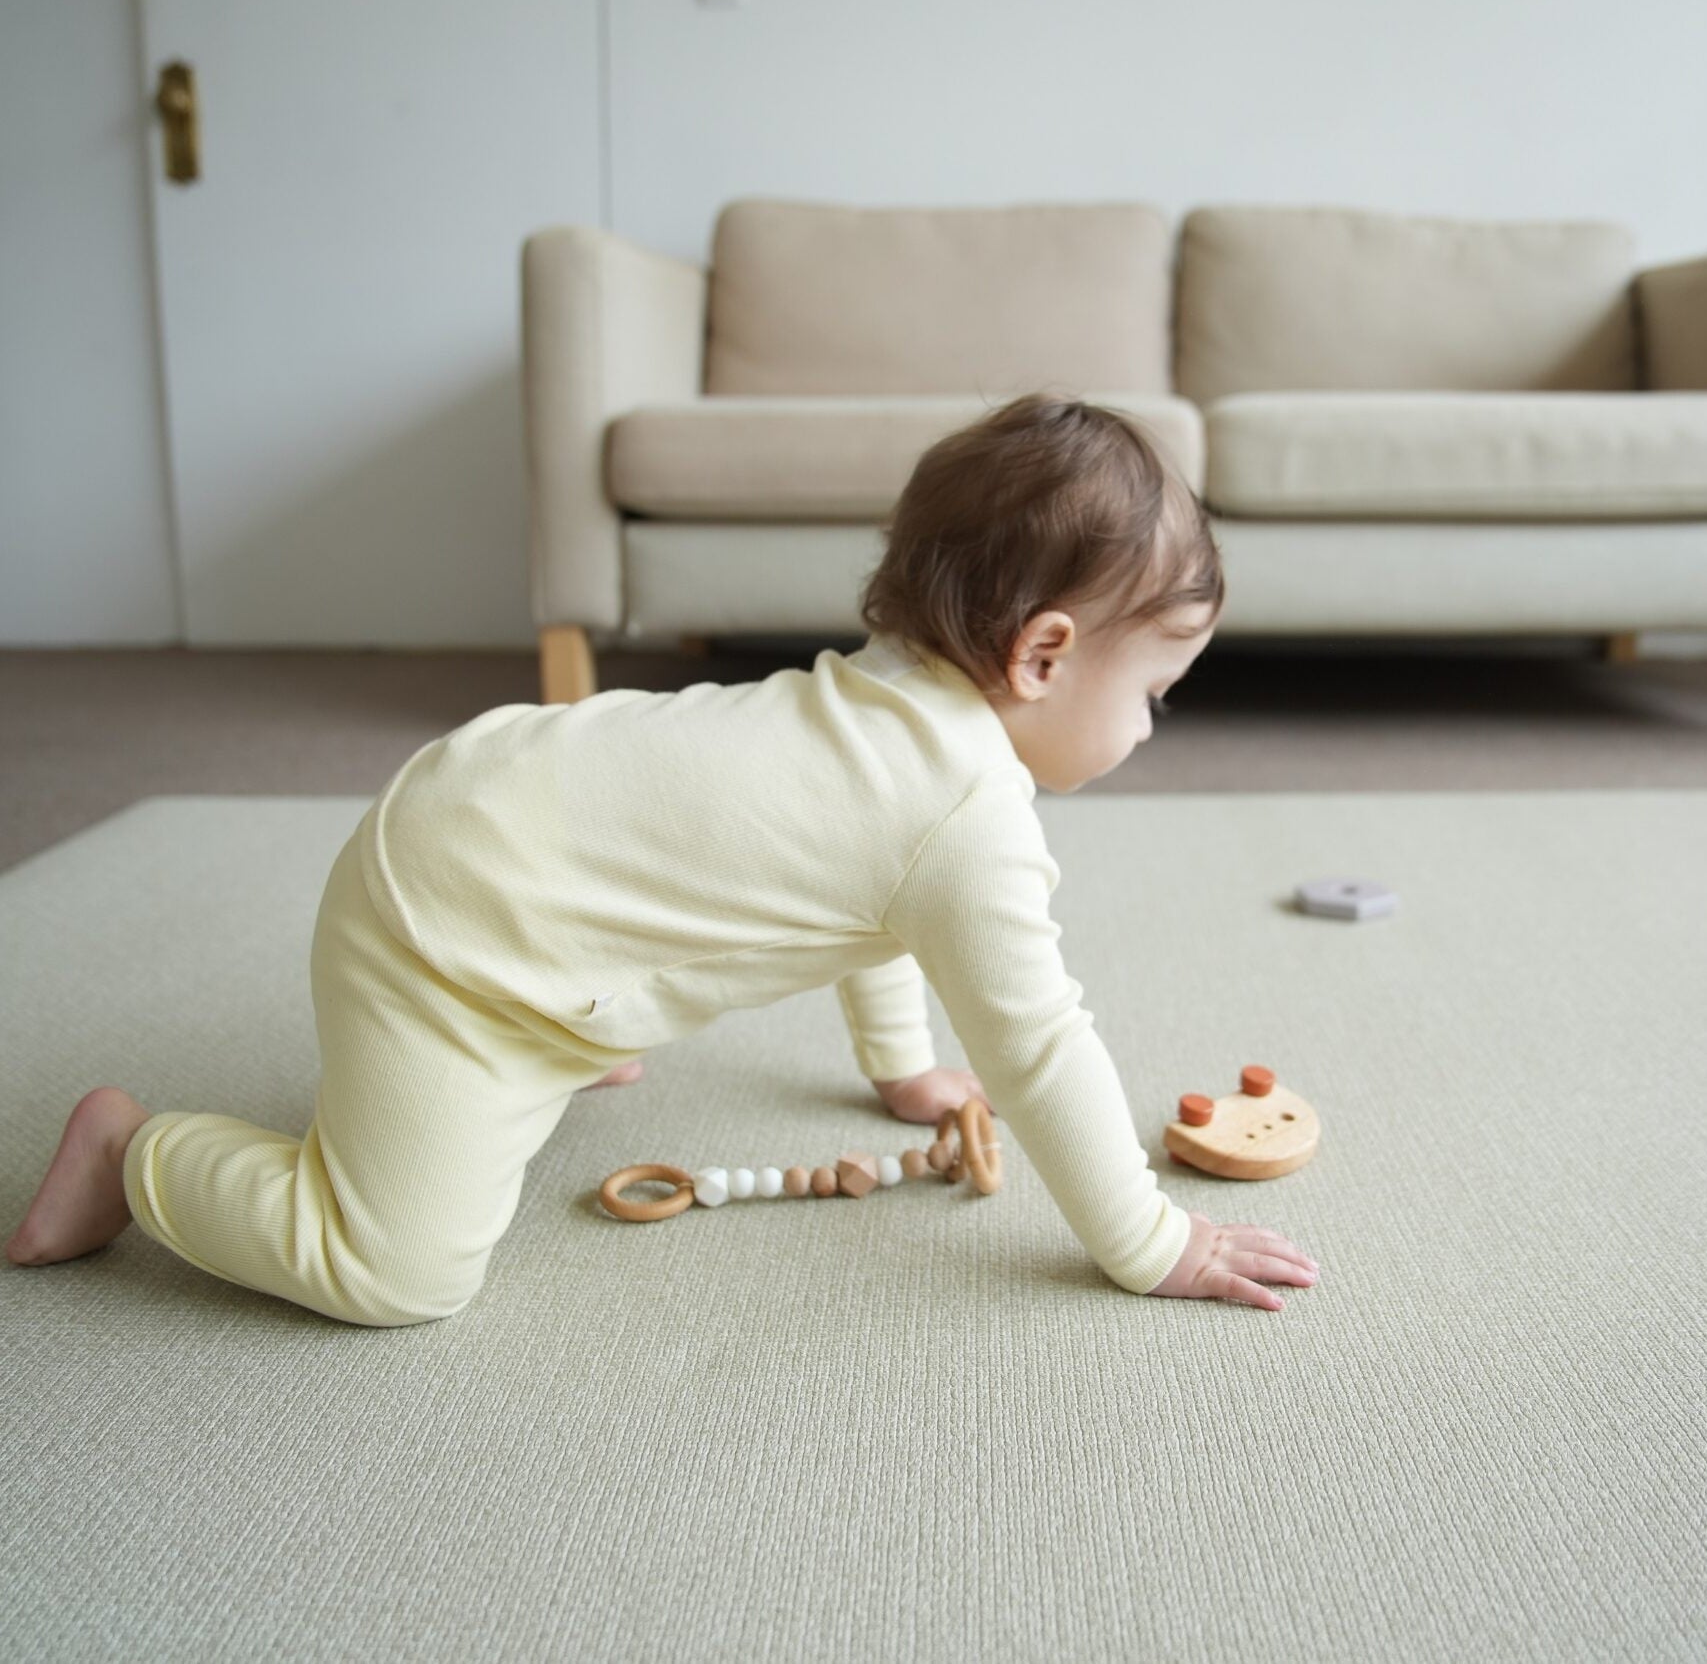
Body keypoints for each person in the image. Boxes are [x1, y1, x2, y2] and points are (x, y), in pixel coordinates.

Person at [6, 391, 1319, 1323]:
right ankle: (137, 1157)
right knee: (395, 1272)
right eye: (1154, 689)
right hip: (447, 934)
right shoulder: (969, 820)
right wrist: (1155, 1241)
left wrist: (905, 1067)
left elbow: (879, 904)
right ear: (1041, 656)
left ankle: (558, 1023)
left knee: (579, 988)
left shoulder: (898, 711)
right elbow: (1039, 1046)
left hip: (501, 831)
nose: (1150, 724)